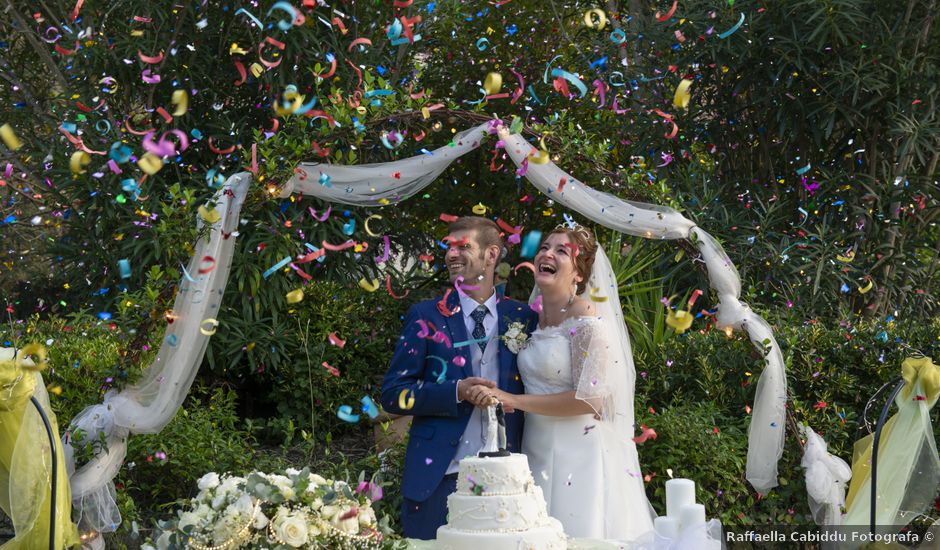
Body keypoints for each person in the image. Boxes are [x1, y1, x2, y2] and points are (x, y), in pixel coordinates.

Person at [470, 224, 656, 542]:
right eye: (545, 247)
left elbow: (590, 399)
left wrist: (512, 401)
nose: (547, 253)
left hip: (579, 454)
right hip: (535, 448)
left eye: (561, 250)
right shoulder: (531, 319)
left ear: (579, 275)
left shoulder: (585, 318)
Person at [380, 216, 539, 540]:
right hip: (438, 477)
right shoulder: (426, 316)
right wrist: (455, 391)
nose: (451, 255)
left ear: (492, 255)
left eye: (463, 247)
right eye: (448, 248)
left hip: (506, 481)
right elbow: (393, 393)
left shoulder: (523, 317)